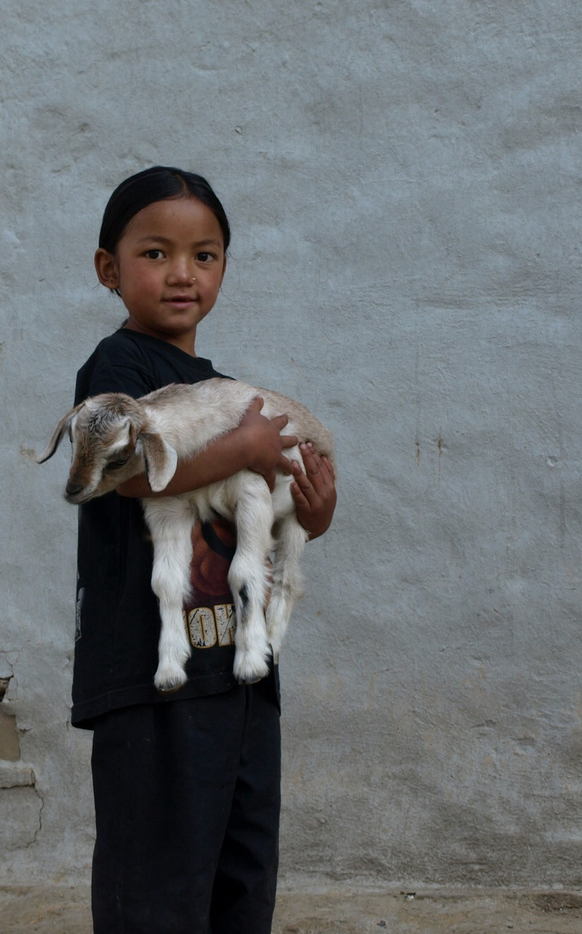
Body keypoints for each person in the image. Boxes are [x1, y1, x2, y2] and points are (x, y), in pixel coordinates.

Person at [69, 166, 337, 933]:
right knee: (157, 880)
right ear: (108, 269)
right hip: (151, 677)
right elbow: (124, 476)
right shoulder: (119, 369)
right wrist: (249, 444)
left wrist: (313, 513)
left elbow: (269, 517)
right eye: (155, 254)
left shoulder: (221, 389)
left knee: (239, 876)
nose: (182, 273)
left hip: (238, 676)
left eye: (205, 255)